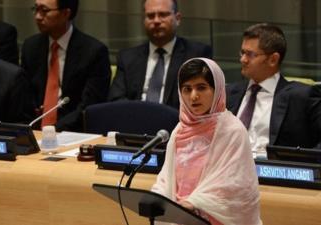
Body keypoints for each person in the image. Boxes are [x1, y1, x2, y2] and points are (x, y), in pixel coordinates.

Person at [152, 58, 262, 225]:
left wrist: (195, 203)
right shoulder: (179, 130)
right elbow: (166, 177)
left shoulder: (232, 130)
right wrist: (157, 196)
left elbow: (236, 185)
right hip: (179, 217)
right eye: (187, 89)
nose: (193, 96)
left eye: (201, 88)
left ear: (216, 89)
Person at [226, 23, 321, 153]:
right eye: (242, 53)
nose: (243, 59)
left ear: (273, 59)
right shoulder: (228, 93)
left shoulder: (302, 97)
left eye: (250, 54)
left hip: (272, 170)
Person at [21, 0, 111, 131]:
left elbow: (89, 106)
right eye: (36, 9)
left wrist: (52, 130)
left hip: (75, 133)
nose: (38, 16)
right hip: (34, 130)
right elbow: (24, 97)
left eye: (44, 11)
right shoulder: (31, 47)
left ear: (65, 13)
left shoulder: (94, 52)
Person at [108, 0, 212, 109]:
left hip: (177, 122)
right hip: (134, 121)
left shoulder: (196, 54)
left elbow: (200, 100)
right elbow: (115, 100)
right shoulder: (127, 58)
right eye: (150, 16)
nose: (156, 20)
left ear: (177, 18)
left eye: (163, 15)